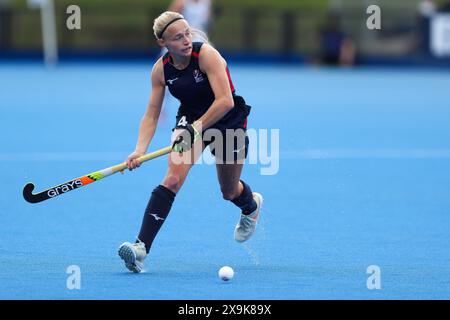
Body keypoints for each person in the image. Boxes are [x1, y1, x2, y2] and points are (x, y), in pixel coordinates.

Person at [117, 11, 263, 273]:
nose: (186, 40)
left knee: (229, 191)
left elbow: (225, 101)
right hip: (190, 117)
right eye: (177, 37)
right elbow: (151, 114)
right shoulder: (160, 71)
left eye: (187, 33)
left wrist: (196, 129)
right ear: (163, 43)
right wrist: (139, 150)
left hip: (228, 119)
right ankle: (141, 248)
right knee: (172, 179)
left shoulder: (207, 55)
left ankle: (250, 205)